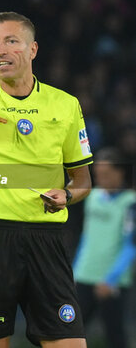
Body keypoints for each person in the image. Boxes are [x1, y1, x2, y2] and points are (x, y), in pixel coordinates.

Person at [0, 12, 93, 348]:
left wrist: (67, 196)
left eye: (12, 41)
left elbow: (83, 180)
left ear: (33, 50)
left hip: (48, 241)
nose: (1, 50)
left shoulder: (65, 104)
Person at [73, 148, 136, 348]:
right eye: (98, 175)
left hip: (110, 281)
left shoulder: (130, 203)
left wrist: (110, 280)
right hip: (84, 275)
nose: (101, 179)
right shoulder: (92, 197)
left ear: (120, 173)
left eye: (106, 175)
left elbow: (131, 246)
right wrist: (74, 270)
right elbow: (87, 236)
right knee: (72, 332)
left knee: (115, 335)